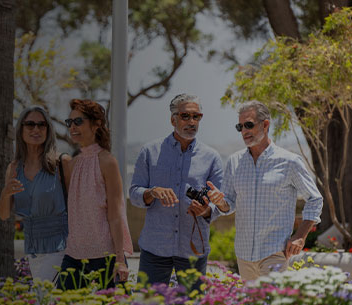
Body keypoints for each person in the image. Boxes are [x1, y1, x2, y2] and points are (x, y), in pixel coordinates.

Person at [208, 100, 323, 281]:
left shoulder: (289, 162)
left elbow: (315, 199)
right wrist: (219, 201)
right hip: (244, 255)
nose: (244, 131)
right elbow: (229, 204)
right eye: (240, 126)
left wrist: (300, 236)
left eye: (249, 125)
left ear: (266, 124)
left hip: (275, 252)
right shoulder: (234, 162)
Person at [129, 93, 223, 290]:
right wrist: (152, 192)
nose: (191, 121)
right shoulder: (149, 152)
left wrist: (206, 210)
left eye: (196, 116)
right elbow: (134, 193)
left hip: (193, 249)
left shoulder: (212, 157)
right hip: (155, 247)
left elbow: (220, 201)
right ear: (173, 119)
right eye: (185, 116)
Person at [57, 99, 133, 290]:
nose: (72, 127)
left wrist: (119, 259)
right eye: (69, 122)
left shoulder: (107, 162)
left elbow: (116, 215)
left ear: (96, 124)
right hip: (74, 254)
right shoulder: (72, 165)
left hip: (105, 256)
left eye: (78, 121)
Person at [0, 106, 68, 282]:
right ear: (20, 129)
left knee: (42, 300)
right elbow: (4, 214)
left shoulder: (61, 163)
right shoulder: (14, 168)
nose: (36, 129)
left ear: (48, 130)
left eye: (41, 125)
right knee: (46, 304)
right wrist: (5, 193)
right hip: (33, 249)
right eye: (30, 124)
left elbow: (78, 205)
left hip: (61, 246)